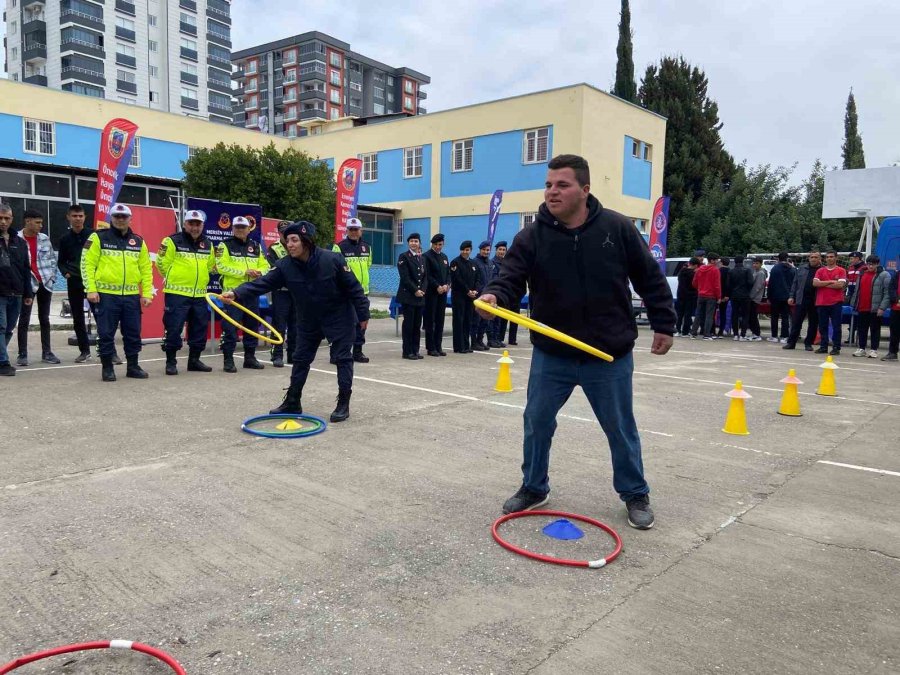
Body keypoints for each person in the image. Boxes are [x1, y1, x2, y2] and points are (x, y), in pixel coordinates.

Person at [479, 154, 675, 530]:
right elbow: (510, 279)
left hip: (608, 354)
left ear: (584, 190)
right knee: (536, 421)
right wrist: (494, 298)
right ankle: (534, 487)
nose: (552, 192)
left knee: (620, 427)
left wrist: (664, 323)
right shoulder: (532, 236)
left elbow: (649, 277)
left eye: (562, 185)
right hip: (553, 355)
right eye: (549, 185)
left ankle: (635, 493)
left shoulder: (616, 228)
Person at [222, 221, 369, 423]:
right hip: (308, 319)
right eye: (287, 240)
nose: (289, 244)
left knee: (343, 359)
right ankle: (293, 400)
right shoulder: (284, 265)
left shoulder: (332, 259)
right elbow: (262, 283)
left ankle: (343, 402)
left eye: (294, 240)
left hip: (338, 316)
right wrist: (236, 293)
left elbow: (355, 289)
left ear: (306, 241)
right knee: (300, 359)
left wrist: (363, 315)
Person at [81, 203, 153, 381]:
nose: (120, 220)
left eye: (124, 217)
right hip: (106, 296)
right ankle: (107, 368)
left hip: (131, 296)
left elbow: (146, 269)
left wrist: (147, 293)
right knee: (106, 333)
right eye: (117, 217)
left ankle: (133, 366)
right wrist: (90, 289)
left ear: (130, 219)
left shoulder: (138, 241)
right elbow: (86, 264)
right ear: (111, 218)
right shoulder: (98, 238)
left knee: (133, 333)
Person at [156, 209, 216, 375]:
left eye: (198, 224)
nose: (195, 227)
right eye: (191, 224)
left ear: (202, 225)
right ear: (185, 224)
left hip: (199, 295)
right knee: (174, 328)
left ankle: (194, 361)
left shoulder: (208, 244)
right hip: (177, 294)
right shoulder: (171, 241)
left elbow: (211, 266)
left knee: (199, 328)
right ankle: (171, 362)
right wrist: (174, 277)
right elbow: (161, 263)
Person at [216, 216, 269, 373]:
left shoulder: (256, 246)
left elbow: (266, 265)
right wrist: (243, 272)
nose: (240, 230)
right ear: (232, 229)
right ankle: (228, 360)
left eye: (243, 227)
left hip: (252, 293)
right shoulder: (224, 245)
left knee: (252, 326)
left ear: (248, 229)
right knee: (230, 328)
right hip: (232, 294)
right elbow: (221, 267)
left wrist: (259, 272)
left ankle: (250, 358)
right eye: (237, 227)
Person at [16, 208, 59, 365]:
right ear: (28, 221)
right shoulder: (17, 239)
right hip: (27, 285)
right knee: (24, 319)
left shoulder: (44, 238)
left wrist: (52, 279)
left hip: (45, 284)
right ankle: (22, 354)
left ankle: (47, 353)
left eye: (41, 222)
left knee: (45, 319)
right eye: (38, 222)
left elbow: (52, 260)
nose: (41, 225)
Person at [57, 204, 93, 362]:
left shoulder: (94, 236)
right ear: (69, 217)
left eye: (80, 216)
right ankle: (84, 351)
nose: (78, 219)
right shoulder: (64, 239)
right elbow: (61, 261)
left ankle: (108, 351)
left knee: (101, 316)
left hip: (93, 282)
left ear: (85, 217)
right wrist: (66, 273)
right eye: (74, 216)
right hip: (74, 283)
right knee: (78, 318)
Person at [0, 203, 33, 376]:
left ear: (12, 219)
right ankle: (3, 362)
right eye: (0, 218)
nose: (3, 222)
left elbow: (26, 268)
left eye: (7, 218)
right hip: (1, 293)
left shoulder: (19, 242)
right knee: (1, 326)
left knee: (9, 328)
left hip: (17, 292)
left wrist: (28, 292)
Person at [333, 217, 372, 363]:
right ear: (347, 231)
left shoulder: (367, 247)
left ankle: (358, 352)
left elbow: (367, 266)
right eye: (351, 229)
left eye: (356, 230)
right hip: (346, 293)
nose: (354, 232)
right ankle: (337, 353)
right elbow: (335, 269)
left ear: (361, 231)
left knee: (362, 323)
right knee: (344, 324)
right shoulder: (339, 247)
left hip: (363, 293)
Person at [268, 221, 299, 368]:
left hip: (296, 292)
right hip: (281, 292)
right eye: (282, 232)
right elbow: (275, 269)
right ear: (279, 233)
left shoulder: (299, 247)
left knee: (295, 325)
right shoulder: (274, 248)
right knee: (279, 325)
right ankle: (277, 355)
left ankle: (292, 355)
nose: (285, 234)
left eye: (288, 231)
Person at [849, 254, 891, 358]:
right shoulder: (862, 274)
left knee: (875, 329)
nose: (871, 266)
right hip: (862, 306)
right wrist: (854, 304)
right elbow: (857, 291)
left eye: (873, 264)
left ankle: (873, 350)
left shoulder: (885, 275)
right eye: (869, 264)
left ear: (878, 264)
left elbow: (887, 293)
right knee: (862, 329)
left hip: (875, 308)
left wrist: (882, 307)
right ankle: (861, 348)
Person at [784, 251, 823, 351]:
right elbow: (795, 283)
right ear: (809, 258)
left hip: (816, 300)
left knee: (813, 323)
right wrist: (791, 296)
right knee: (796, 322)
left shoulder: (823, 270)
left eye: (816, 257)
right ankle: (791, 343)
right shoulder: (801, 268)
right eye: (811, 257)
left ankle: (808, 343)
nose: (813, 259)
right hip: (801, 299)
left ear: (820, 259)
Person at [396, 232, 426, 360]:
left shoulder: (421, 258)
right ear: (408, 243)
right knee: (409, 324)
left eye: (416, 241)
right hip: (408, 295)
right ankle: (407, 351)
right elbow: (405, 277)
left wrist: (423, 289)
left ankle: (415, 350)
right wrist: (415, 290)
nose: (414, 243)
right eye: (412, 241)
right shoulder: (404, 257)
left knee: (417, 325)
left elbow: (425, 277)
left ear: (419, 243)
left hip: (420, 296)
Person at [813, 250, 847, 355]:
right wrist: (830, 282)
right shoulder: (820, 270)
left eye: (831, 256)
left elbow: (840, 285)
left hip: (836, 302)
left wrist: (822, 284)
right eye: (827, 257)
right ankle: (823, 346)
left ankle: (836, 347)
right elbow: (815, 283)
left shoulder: (841, 270)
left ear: (836, 258)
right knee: (822, 325)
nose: (829, 258)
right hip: (822, 302)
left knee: (836, 326)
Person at [423, 232, 450, 357]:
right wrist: (437, 286)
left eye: (440, 244)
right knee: (431, 320)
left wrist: (447, 284)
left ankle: (438, 346)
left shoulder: (444, 257)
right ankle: (431, 347)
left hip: (443, 293)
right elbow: (427, 275)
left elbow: (448, 273)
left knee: (440, 320)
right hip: (432, 293)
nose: (438, 247)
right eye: (436, 244)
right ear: (432, 244)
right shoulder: (426, 256)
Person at [450, 241, 477, 354]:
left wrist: (475, 290)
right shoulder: (455, 262)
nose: (465, 252)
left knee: (467, 321)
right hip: (459, 296)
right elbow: (457, 279)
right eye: (463, 250)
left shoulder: (473, 263)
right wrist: (467, 291)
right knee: (459, 321)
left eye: (467, 250)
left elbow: (477, 279)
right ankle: (459, 346)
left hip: (470, 297)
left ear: (470, 250)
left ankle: (466, 345)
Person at [470, 241, 497, 350]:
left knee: (484, 321)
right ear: (480, 250)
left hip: (487, 295)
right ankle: (474, 342)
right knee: (475, 321)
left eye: (488, 250)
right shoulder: (475, 262)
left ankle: (480, 340)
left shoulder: (490, 263)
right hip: (478, 295)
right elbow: (474, 279)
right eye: (484, 250)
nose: (486, 252)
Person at [690, 253, 722, 340]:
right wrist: (719, 297)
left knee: (698, 314)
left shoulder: (700, 269)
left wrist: (700, 289)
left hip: (701, 294)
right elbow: (717, 285)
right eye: (716, 260)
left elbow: (694, 282)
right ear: (712, 260)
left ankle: (693, 333)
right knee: (709, 315)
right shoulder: (715, 270)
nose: (717, 262)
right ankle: (706, 334)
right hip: (711, 296)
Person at [767, 251, 795, 343]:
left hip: (775, 296)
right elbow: (794, 283)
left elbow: (771, 283)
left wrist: (769, 296)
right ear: (787, 259)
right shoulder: (792, 269)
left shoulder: (775, 269)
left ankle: (774, 336)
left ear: (778, 259)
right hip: (787, 296)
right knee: (785, 317)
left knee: (774, 317)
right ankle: (784, 336)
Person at [490, 242, 510, 345]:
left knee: (500, 319)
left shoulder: (506, 263)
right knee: (494, 318)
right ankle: (492, 339)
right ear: (496, 250)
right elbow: (494, 278)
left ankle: (498, 338)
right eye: (500, 250)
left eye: (503, 250)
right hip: (496, 293)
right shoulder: (492, 263)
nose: (502, 252)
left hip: (503, 293)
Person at [675, 257, 699, 337]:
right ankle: (685, 331)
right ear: (695, 265)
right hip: (691, 295)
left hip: (680, 294)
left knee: (679, 313)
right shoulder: (693, 274)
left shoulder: (681, 272)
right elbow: (695, 285)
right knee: (688, 314)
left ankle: (677, 330)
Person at [882, 264, 899, 361]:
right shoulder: (897, 275)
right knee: (894, 332)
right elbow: (891, 289)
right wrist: (895, 299)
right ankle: (892, 353)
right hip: (896, 308)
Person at [747, 257, 767, 340]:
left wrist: (750, 296)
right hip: (753, 297)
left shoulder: (761, 273)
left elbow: (757, 287)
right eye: (754, 263)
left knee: (753, 316)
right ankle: (755, 333)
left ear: (761, 263)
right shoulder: (756, 271)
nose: (754, 265)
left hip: (755, 298)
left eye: (757, 263)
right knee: (752, 316)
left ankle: (757, 333)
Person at [716, 256, 731, 338]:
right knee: (723, 313)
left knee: (713, 313)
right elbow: (729, 285)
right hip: (725, 296)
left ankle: (712, 331)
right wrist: (727, 295)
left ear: (721, 262)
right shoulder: (730, 272)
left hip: (716, 295)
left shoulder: (717, 271)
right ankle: (721, 331)